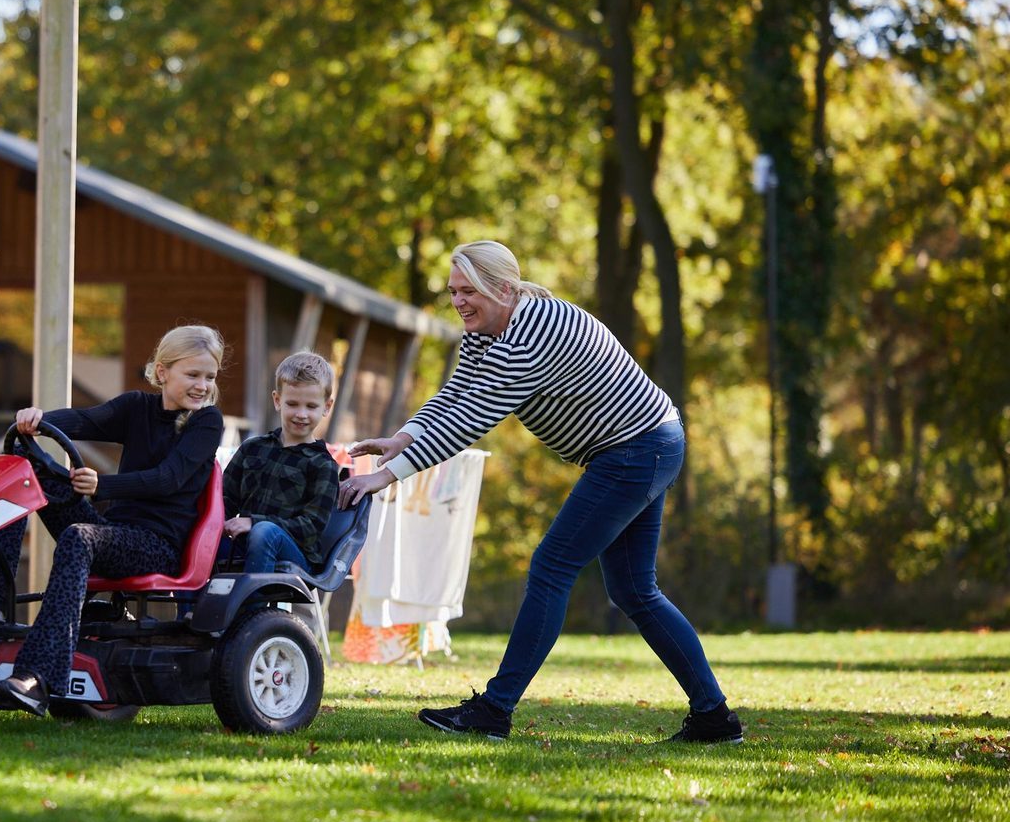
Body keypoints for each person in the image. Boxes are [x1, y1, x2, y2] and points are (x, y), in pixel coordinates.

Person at [339, 240, 741, 744]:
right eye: (453, 292)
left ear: (504, 288)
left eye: (470, 291)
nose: (459, 301)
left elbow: (471, 419)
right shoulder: (488, 331)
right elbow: (459, 392)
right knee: (634, 590)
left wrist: (386, 475)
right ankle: (714, 718)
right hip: (646, 444)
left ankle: (495, 710)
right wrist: (402, 437)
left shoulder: (530, 336)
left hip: (636, 449)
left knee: (552, 568)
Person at [0, 324, 224, 717]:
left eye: (209, 377)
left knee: (80, 537)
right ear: (162, 372)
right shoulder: (135, 408)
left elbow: (169, 479)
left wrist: (102, 486)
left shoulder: (206, 423)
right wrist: (36, 420)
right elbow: (84, 421)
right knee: (24, 472)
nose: (202, 386)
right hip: (114, 534)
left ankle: (38, 677)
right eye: (192, 375)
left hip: (158, 547)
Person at [220, 351, 341, 576]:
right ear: (277, 400)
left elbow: (311, 528)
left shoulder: (323, 465)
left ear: (326, 406)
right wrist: (212, 526)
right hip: (243, 545)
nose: (301, 414)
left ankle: (252, 609)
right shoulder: (252, 449)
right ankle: (192, 610)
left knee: (265, 531)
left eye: (311, 406)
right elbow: (224, 501)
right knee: (199, 533)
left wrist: (253, 522)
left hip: (295, 554)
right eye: (292, 404)